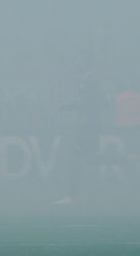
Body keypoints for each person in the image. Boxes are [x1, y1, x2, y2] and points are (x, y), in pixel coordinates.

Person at [53, 51, 130, 204]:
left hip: (90, 126)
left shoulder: (91, 80)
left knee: (75, 158)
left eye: (79, 60)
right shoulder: (82, 80)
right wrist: (66, 107)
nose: (76, 63)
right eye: (75, 59)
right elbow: (85, 102)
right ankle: (126, 160)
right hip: (88, 125)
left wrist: (88, 116)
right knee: (90, 160)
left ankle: (71, 196)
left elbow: (102, 101)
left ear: (88, 63)